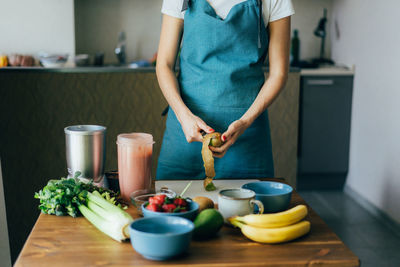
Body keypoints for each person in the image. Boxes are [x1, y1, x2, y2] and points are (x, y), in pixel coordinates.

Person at [156, 0, 294, 180]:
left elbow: (279, 73)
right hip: (185, 133)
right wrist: (183, 117)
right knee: (172, 205)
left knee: (253, 208)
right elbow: (164, 65)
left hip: (247, 137)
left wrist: (245, 121)